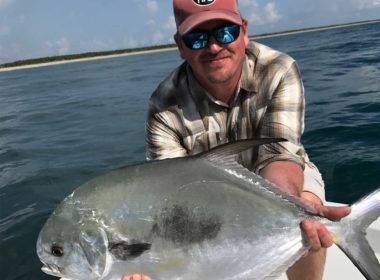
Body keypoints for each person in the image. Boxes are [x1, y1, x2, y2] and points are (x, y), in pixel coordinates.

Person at [122, 0, 351, 279]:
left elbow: (279, 154)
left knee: (305, 212)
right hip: (205, 199)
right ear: (180, 46)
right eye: (197, 38)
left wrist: (292, 208)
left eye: (225, 32)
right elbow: (175, 192)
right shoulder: (163, 106)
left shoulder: (278, 70)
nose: (215, 47)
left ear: (244, 32)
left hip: (280, 180)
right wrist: (150, 264)